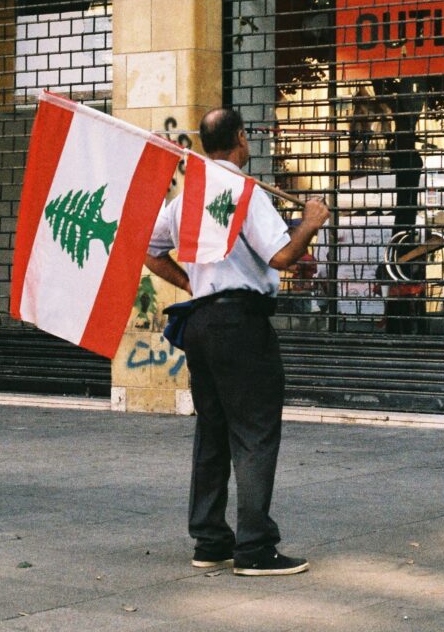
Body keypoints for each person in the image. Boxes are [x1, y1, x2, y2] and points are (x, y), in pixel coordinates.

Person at [145, 108, 330, 577]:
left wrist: (193, 286)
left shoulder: (188, 197)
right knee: (254, 432)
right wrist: (310, 221)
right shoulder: (246, 193)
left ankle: (210, 541)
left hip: (202, 323)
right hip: (242, 326)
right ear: (241, 140)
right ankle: (255, 548)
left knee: (213, 431)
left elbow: (149, 250)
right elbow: (282, 255)